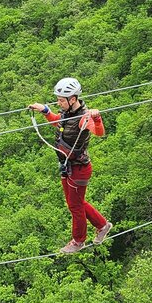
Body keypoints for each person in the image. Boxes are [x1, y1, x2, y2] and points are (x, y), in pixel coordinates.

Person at [29, 77, 113, 255]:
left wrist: (97, 118)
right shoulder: (67, 112)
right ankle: (102, 225)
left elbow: (99, 132)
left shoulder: (83, 117)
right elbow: (57, 121)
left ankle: (78, 241)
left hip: (79, 169)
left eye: (61, 100)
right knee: (75, 203)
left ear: (72, 99)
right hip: (68, 166)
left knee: (75, 206)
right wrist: (45, 110)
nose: (58, 103)